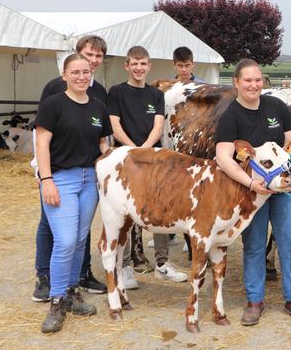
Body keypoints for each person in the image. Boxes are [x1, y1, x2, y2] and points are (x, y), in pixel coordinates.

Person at [215, 58, 291, 325]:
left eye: (257, 80)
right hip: (253, 192)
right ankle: (254, 301)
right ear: (236, 83)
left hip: (283, 188)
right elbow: (223, 158)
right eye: (247, 80)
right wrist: (249, 184)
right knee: (254, 245)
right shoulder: (230, 117)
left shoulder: (276, 106)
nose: (254, 85)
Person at [35, 53, 112, 333]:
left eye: (85, 72)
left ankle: (71, 293)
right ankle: (56, 300)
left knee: (79, 241)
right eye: (75, 72)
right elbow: (42, 143)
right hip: (61, 178)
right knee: (65, 241)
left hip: (89, 178)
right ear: (64, 75)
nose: (81, 77)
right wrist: (46, 180)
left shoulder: (98, 106)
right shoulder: (53, 104)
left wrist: (113, 157)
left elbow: (102, 142)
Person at [108, 46, 188, 288]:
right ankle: (125, 267)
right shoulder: (117, 92)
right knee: (125, 212)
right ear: (127, 66)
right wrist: (133, 149)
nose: (139, 68)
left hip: (152, 158)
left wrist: (146, 148)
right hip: (126, 157)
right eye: (134, 63)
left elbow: (158, 125)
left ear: (149, 66)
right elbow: (114, 124)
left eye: (143, 64)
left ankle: (162, 264)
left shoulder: (155, 95)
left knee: (160, 208)